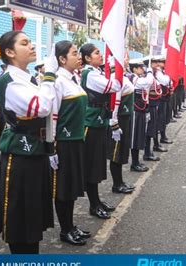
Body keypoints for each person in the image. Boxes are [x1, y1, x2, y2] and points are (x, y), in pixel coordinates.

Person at [0, 31, 55, 254]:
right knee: (20, 219)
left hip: (36, 152)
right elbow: (42, 107)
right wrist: (49, 76)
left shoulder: (26, 78)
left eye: (31, 42)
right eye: (24, 43)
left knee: (33, 217)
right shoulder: (9, 82)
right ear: (10, 52)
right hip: (20, 157)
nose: (32, 46)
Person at [50, 40, 91, 245]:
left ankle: (71, 226)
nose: (79, 57)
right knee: (63, 188)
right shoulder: (57, 81)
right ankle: (65, 230)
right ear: (62, 59)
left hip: (76, 141)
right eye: (75, 53)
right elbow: (52, 116)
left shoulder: (74, 78)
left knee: (72, 187)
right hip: (64, 143)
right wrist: (52, 146)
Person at [80, 43, 121, 220]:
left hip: (98, 121)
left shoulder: (96, 73)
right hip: (91, 123)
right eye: (97, 53)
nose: (100, 55)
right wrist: (117, 69)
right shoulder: (89, 74)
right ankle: (93, 204)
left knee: (97, 164)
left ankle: (96, 200)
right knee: (92, 166)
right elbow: (114, 87)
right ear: (87, 58)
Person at [106, 54, 136, 195]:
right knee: (116, 153)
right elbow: (114, 102)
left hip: (125, 117)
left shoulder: (123, 77)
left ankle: (120, 182)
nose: (127, 59)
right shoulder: (115, 78)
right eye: (124, 57)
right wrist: (114, 123)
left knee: (122, 151)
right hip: (118, 118)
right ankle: (116, 184)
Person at [129, 58, 154, 172]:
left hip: (141, 109)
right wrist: (149, 71)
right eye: (140, 67)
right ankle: (134, 163)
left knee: (139, 136)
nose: (142, 69)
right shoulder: (132, 77)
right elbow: (148, 82)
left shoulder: (138, 78)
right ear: (134, 68)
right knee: (135, 137)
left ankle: (136, 161)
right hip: (135, 110)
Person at [144, 57, 167, 162]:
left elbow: (164, 82)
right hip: (148, 105)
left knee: (152, 129)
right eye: (155, 62)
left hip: (154, 104)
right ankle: (147, 153)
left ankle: (149, 151)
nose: (158, 64)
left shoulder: (154, 74)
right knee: (149, 130)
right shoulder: (146, 75)